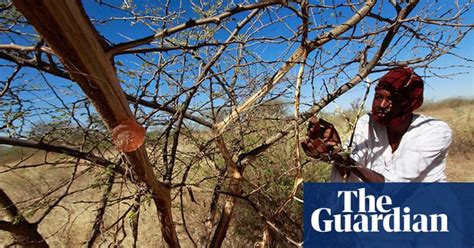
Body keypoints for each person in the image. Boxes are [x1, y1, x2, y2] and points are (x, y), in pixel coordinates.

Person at [300, 67, 452, 182]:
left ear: (407, 104)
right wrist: (334, 151)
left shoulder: (435, 131)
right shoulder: (367, 123)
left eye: (392, 99)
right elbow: (351, 168)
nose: (382, 104)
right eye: (378, 96)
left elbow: (391, 186)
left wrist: (342, 158)